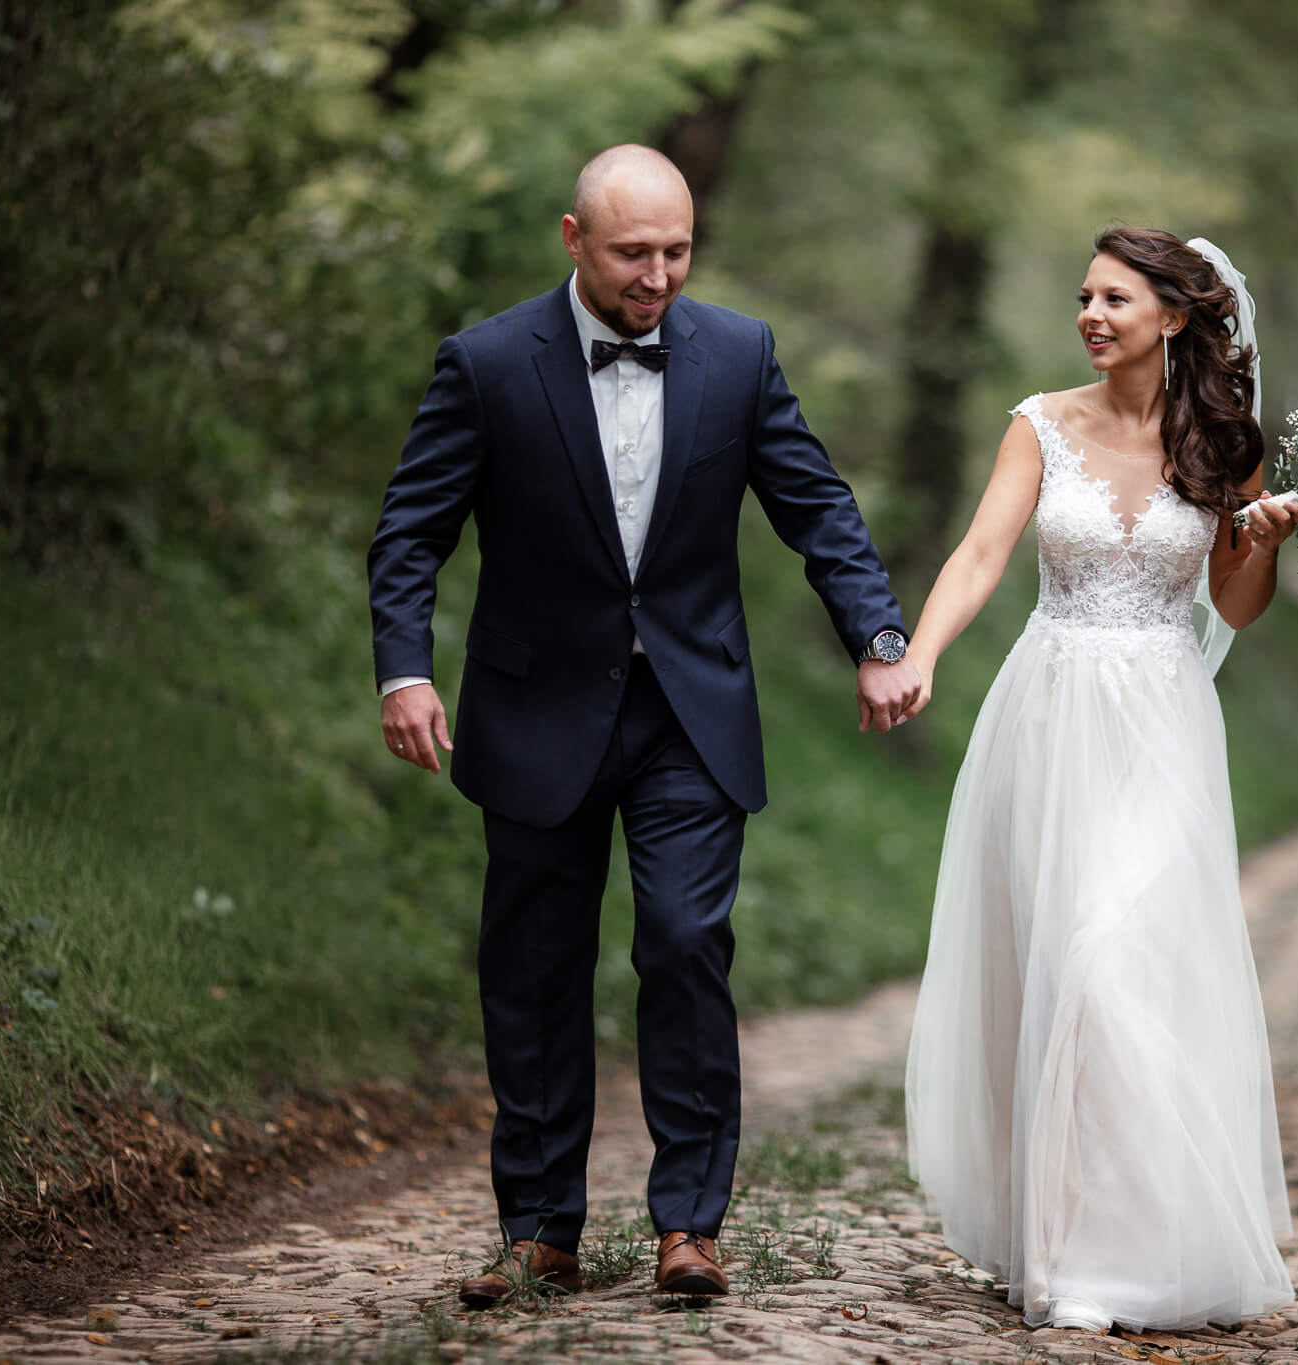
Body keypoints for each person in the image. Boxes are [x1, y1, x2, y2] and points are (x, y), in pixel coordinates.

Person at [366, 144, 922, 1308]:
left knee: (681, 946)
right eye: (632, 253)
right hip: (530, 714)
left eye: (675, 249)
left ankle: (689, 1229)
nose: (657, 275)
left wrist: (876, 640)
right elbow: (411, 531)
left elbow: (814, 504)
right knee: (531, 972)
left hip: (688, 713)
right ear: (572, 239)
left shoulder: (738, 353)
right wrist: (402, 672)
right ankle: (538, 1231)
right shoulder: (484, 364)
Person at [902, 226, 1298, 1333]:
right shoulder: (1040, 424)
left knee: (1116, 958)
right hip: (1051, 712)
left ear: (1172, 317)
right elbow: (981, 554)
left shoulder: (1226, 442)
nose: (1090, 314)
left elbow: (1232, 608)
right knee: (1060, 963)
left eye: (1114, 299)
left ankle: (1141, 1242)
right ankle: (1073, 1246)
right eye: (1083, 296)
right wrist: (919, 653)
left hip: (1164, 724)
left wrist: (1258, 537)